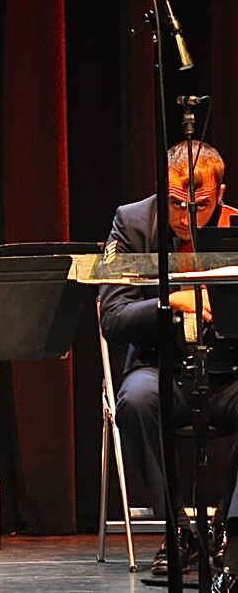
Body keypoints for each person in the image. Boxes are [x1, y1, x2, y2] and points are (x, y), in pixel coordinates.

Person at [99, 141, 238, 589]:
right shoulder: (132, 223)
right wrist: (169, 302)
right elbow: (113, 316)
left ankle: (228, 532)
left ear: (219, 194)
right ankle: (179, 530)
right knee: (136, 400)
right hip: (162, 370)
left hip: (228, 375)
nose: (185, 217)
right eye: (176, 204)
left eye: (198, 206)